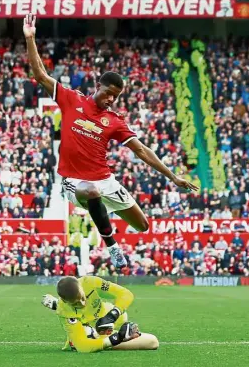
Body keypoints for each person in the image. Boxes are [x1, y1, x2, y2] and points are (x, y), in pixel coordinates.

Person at [23, 14, 198, 268]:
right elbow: (39, 74)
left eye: (116, 97)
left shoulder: (114, 120)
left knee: (142, 225)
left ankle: (100, 208)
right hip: (75, 181)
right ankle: (112, 246)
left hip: (105, 180)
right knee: (91, 192)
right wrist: (30, 39)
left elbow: (142, 151)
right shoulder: (73, 100)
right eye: (108, 93)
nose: (111, 99)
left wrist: (173, 177)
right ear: (98, 86)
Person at [41, 276, 159, 353]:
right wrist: (115, 339)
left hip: (107, 315)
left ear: (81, 287)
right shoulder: (64, 311)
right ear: (66, 301)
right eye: (76, 303)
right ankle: (90, 332)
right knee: (152, 342)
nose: (83, 303)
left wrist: (111, 316)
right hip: (93, 331)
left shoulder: (90, 282)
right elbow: (82, 346)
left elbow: (126, 294)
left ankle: (57, 304)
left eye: (83, 297)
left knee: (123, 316)